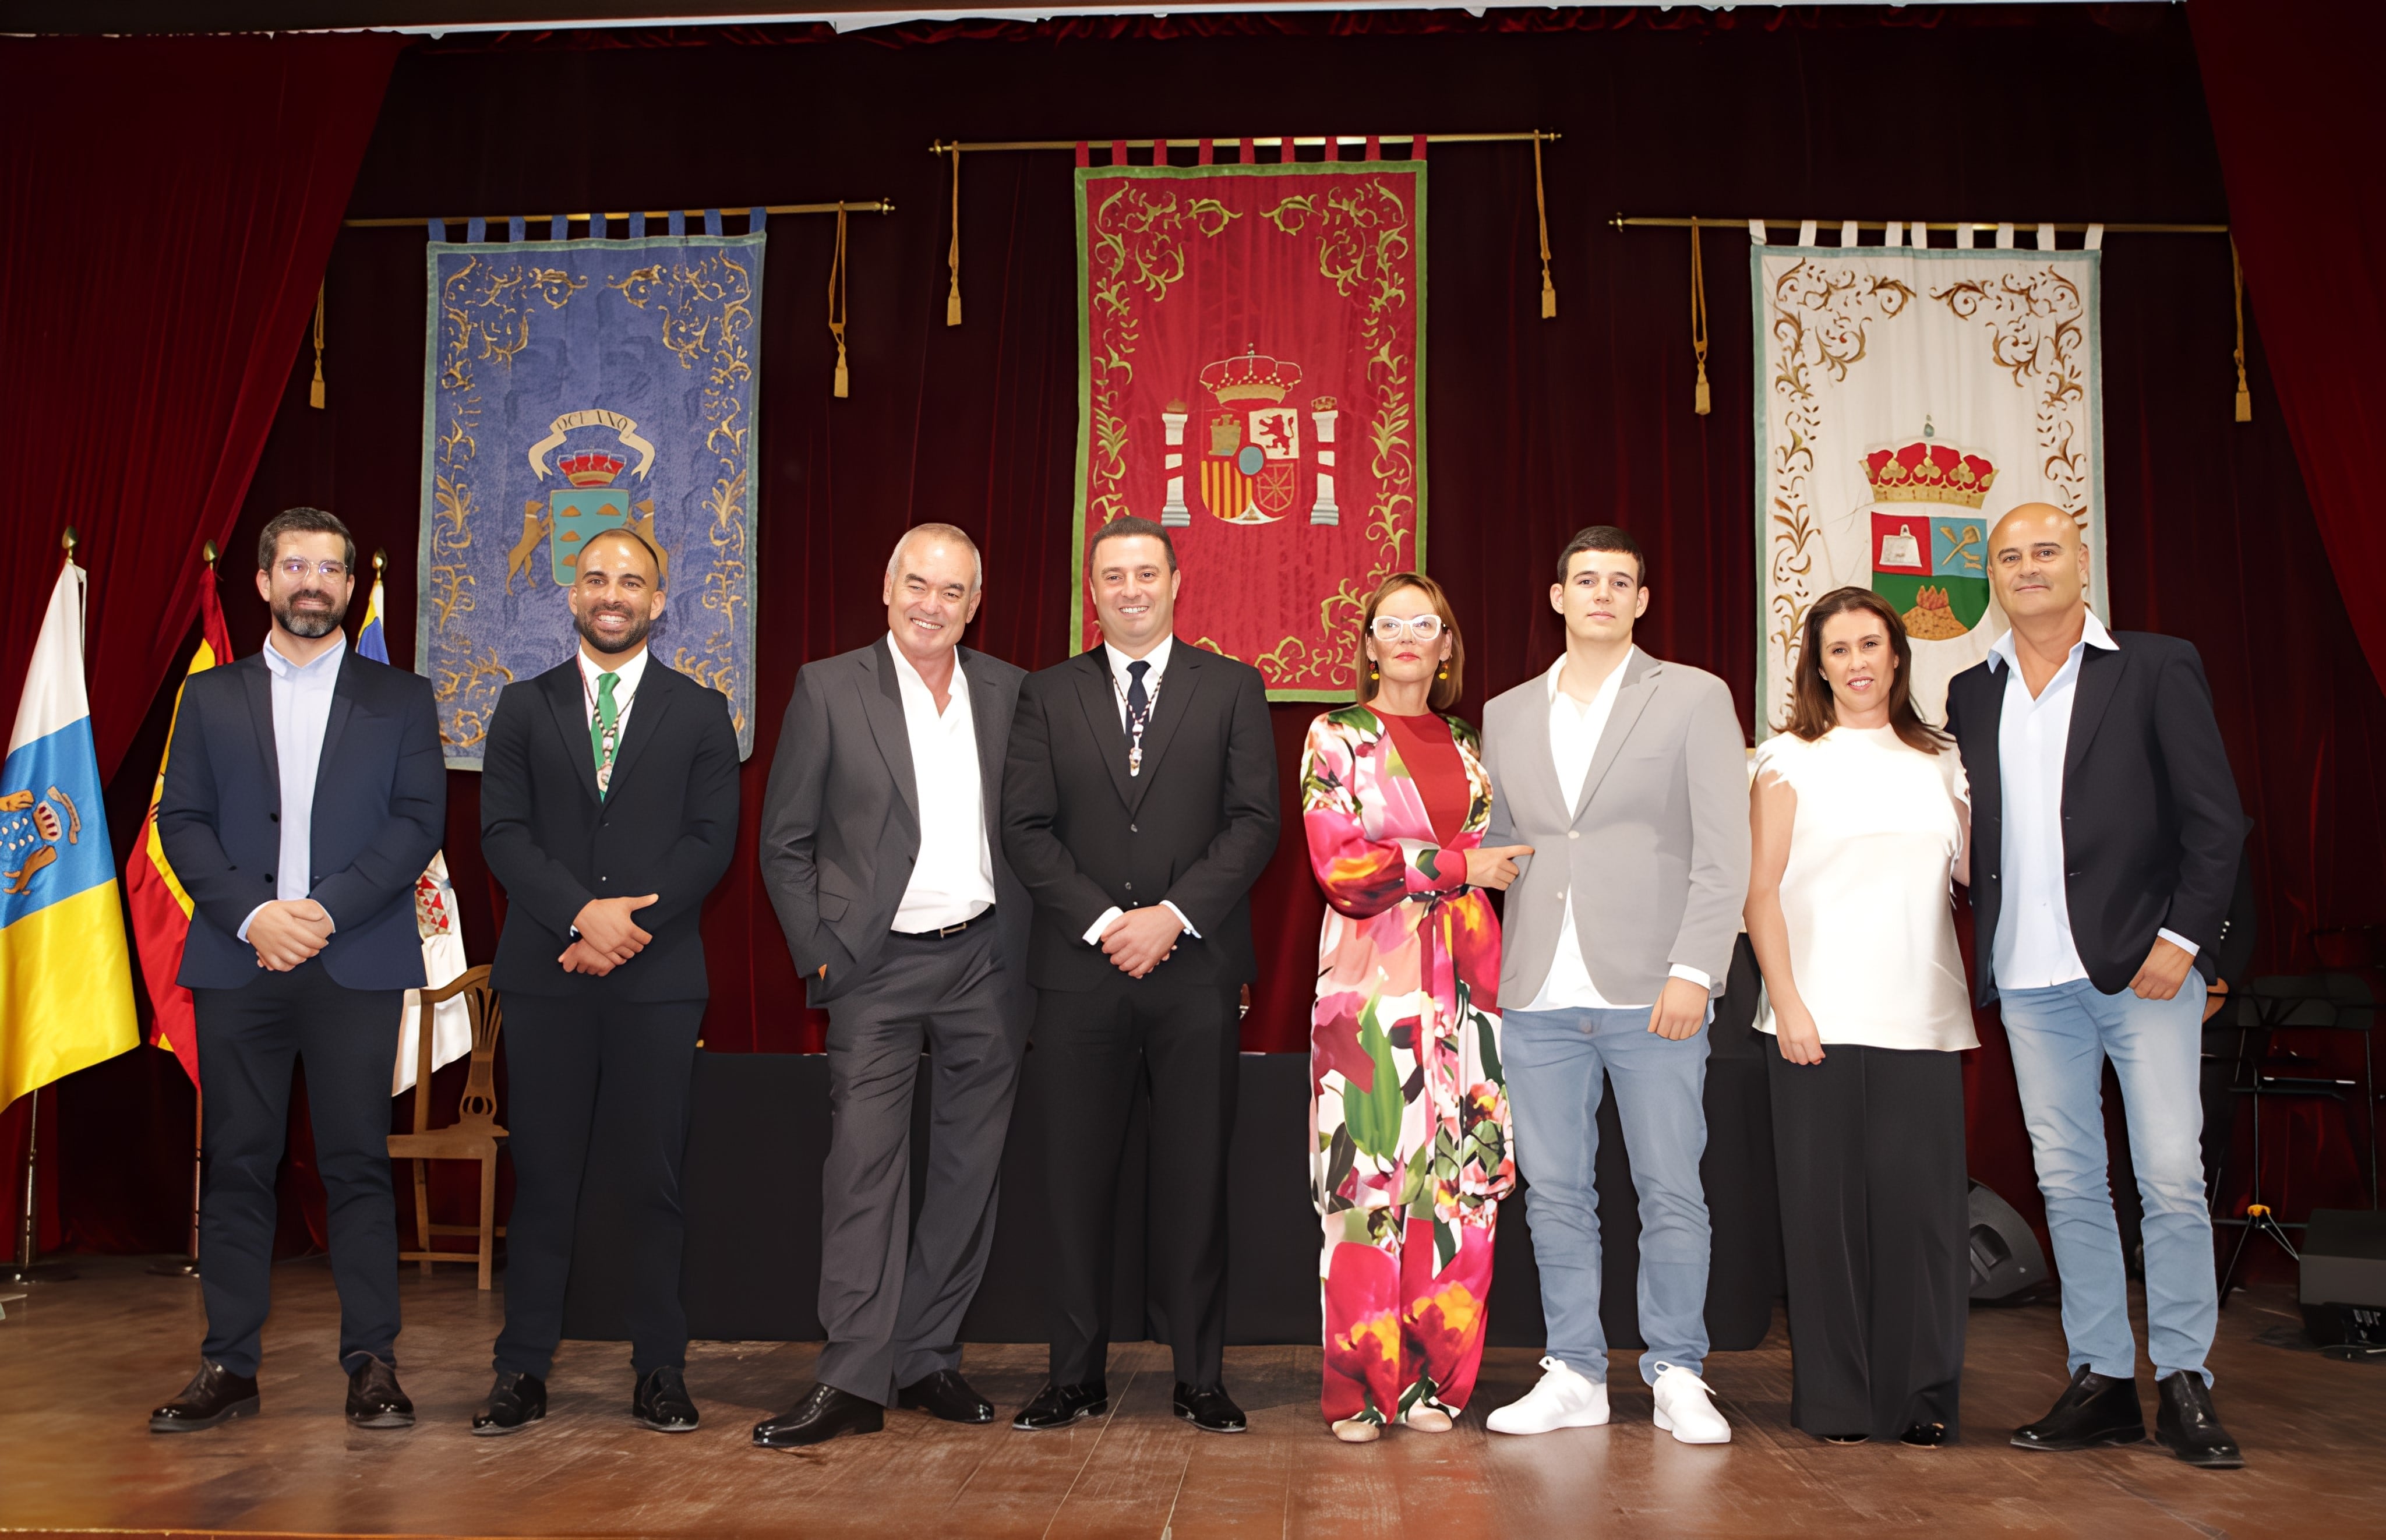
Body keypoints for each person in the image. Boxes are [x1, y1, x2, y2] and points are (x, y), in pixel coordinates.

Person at [1943, 503, 2246, 1469]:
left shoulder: (2156, 665)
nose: (2028, 568)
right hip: (2029, 980)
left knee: (2169, 1176)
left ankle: (2187, 1379)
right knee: (2070, 1183)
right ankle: (2105, 1379)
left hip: (2144, 971)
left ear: (2082, 562)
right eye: (2009, 557)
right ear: (1991, 575)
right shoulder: (1970, 691)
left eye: (2045, 551)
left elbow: (2218, 822)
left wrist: (2188, 940)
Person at [150, 507, 445, 1433]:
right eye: (294, 566)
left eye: (329, 569)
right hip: (242, 963)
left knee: (357, 1165)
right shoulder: (208, 697)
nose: (312, 582)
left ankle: (373, 1366)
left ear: (350, 589)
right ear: (265, 583)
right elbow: (180, 822)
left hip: (353, 959)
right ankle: (228, 1365)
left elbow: (416, 823)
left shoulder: (402, 699)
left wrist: (324, 912)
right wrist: (254, 916)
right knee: (239, 1165)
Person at [751, 524, 1030, 1449]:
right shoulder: (829, 687)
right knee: (865, 1168)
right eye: (918, 584)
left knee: (966, 1171)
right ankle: (852, 1376)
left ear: (974, 603)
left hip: (986, 963)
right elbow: (783, 840)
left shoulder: (1008, 691)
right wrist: (822, 954)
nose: (931, 605)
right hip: (874, 966)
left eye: (953, 592)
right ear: (886, 585)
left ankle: (926, 1357)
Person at [1001, 516, 1279, 1435]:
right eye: (1113, 575)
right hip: (1080, 974)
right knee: (1074, 1181)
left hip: (1195, 970)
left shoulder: (1233, 687)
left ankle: (1200, 1377)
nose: (1130, 589)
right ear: (1094, 589)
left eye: (1146, 573)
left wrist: (1169, 917)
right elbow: (1027, 830)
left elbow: (1252, 824)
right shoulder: (1045, 694)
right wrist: (1104, 922)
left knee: (1196, 1179)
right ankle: (1072, 1376)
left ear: (1175, 582)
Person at [1478, 525, 1748, 1445]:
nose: (1601, 593)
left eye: (1619, 581)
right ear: (1556, 597)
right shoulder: (1508, 711)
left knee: (1671, 1187)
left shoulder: (1695, 697)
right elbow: (1509, 842)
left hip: (1653, 989)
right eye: (1584, 580)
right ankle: (1576, 1373)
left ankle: (1677, 1370)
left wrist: (1694, 971)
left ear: (1641, 601)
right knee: (1555, 1191)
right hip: (1539, 994)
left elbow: (1725, 850)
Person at [471, 525, 740, 1437]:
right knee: (543, 1177)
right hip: (547, 976)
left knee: (653, 1182)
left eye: (631, 581)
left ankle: (660, 1370)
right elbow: (503, 834)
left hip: (656, 980)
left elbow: (710, 841)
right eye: (595, 579)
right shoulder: (521, 706)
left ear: (660, 601)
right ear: (573, 594)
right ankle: (520, 1370)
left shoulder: (703, 711)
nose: (613, 594)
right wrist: (580, 917)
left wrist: (626, 928)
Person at [1744, 586, 1976, 1447]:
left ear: (1897, 656)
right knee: (1824, 1221)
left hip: (1922, 1019)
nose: (1857, 664)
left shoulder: (1944, 761)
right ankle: (1838, 1403)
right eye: (1838, 649)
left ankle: (1923, 1400)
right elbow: (1760, 893)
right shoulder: (1785, 761)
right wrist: (1790, 1001)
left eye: (1871, 645)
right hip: (1816, 1022)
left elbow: (1973, 877)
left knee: (1921, 1224)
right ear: (1817, 664)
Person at [1301, 573, 1522, 1443]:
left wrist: (1439, 865)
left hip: (1468, 995)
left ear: (1444, 646)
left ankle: (1440, 1385)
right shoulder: (1338, 737)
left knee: (1464, 1190)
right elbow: (1343, 868)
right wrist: (1462, 867)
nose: (1404, 637)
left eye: (1422, 624)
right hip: (1369, 993)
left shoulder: (1468, 743)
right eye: (1387, 624)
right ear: (1366, 644)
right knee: (1365, 1188)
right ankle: (1358, 1389)